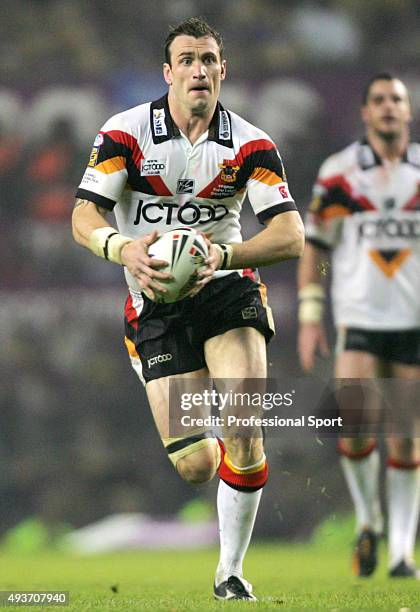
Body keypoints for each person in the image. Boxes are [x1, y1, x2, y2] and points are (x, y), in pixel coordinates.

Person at [72, 17, 304, 601]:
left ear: (223, 70)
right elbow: (83, 217)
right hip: (154, 306)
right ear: (168, 72)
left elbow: (291, 236)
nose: (199, 70)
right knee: (197, 465)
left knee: (245, 426)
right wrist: (123, 246)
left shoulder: (252, 144)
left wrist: (225, 252)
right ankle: (219, 455)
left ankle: (230, 573)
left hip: (227, 290)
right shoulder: (124, 134)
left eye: (209, 60)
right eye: (187, 60)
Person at [298, 73, 420, 578]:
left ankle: (400, 553)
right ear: (365, 113)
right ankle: (369, 520)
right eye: (378, 100)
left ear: (408, 111)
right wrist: (310, 315)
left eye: (396, 99)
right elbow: (316, 248)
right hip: (359, 317)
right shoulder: (340, 174)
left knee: (408, 438)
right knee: (352, 427)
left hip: (413, 320)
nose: (388, 107)